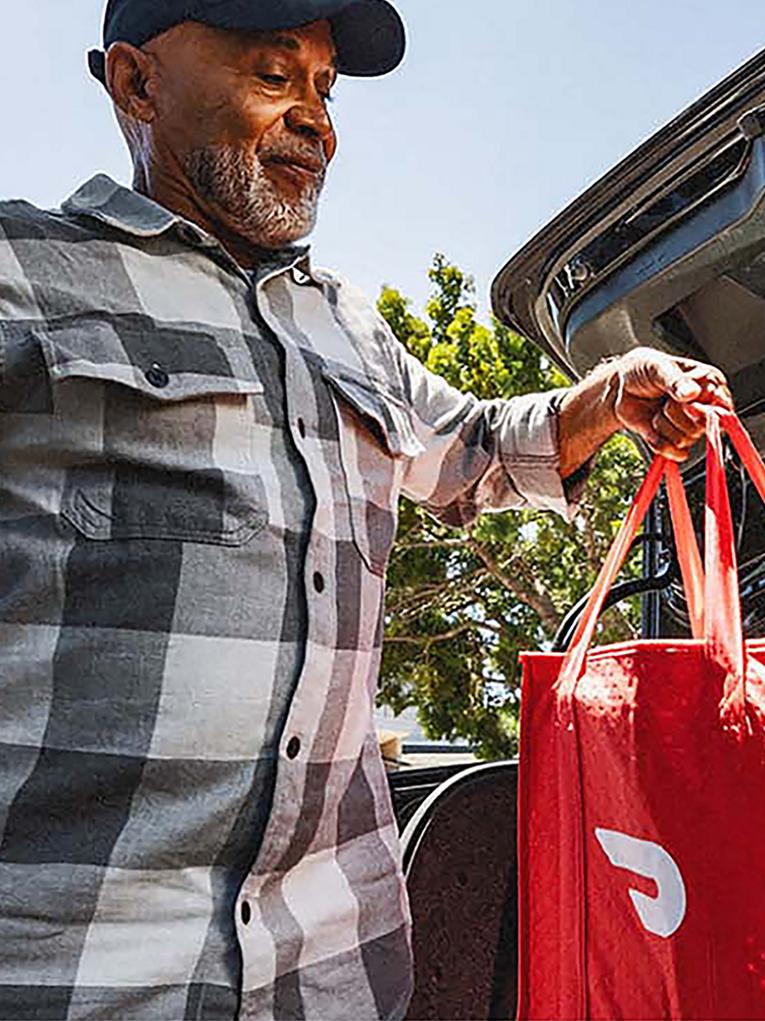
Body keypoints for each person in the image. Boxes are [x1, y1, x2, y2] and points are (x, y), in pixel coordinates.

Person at [0, 1, 732, 1018]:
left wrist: (605, 397)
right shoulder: (22, 275)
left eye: (325, 88)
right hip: (81, 979)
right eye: (272, 76)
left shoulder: (344, 323)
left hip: (337, 979)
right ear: (137, 84)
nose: (317, 121)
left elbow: (469, 447)